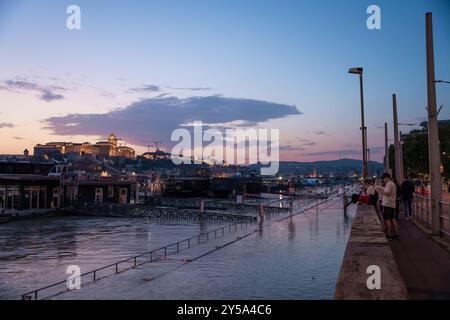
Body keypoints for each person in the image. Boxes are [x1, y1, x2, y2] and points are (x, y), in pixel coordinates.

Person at [375, 173, 399, 240]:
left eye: (383, 178)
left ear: (387, 178)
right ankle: (396, 234)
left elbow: (386, 193)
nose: (383, 180)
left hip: (387, 204)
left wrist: (379, 190)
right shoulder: (392, 184)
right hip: (392, 204)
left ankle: (389, 235)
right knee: (392, 219)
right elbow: (387, 191)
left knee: (387, 219)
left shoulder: (389, 184)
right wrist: (381, 188)